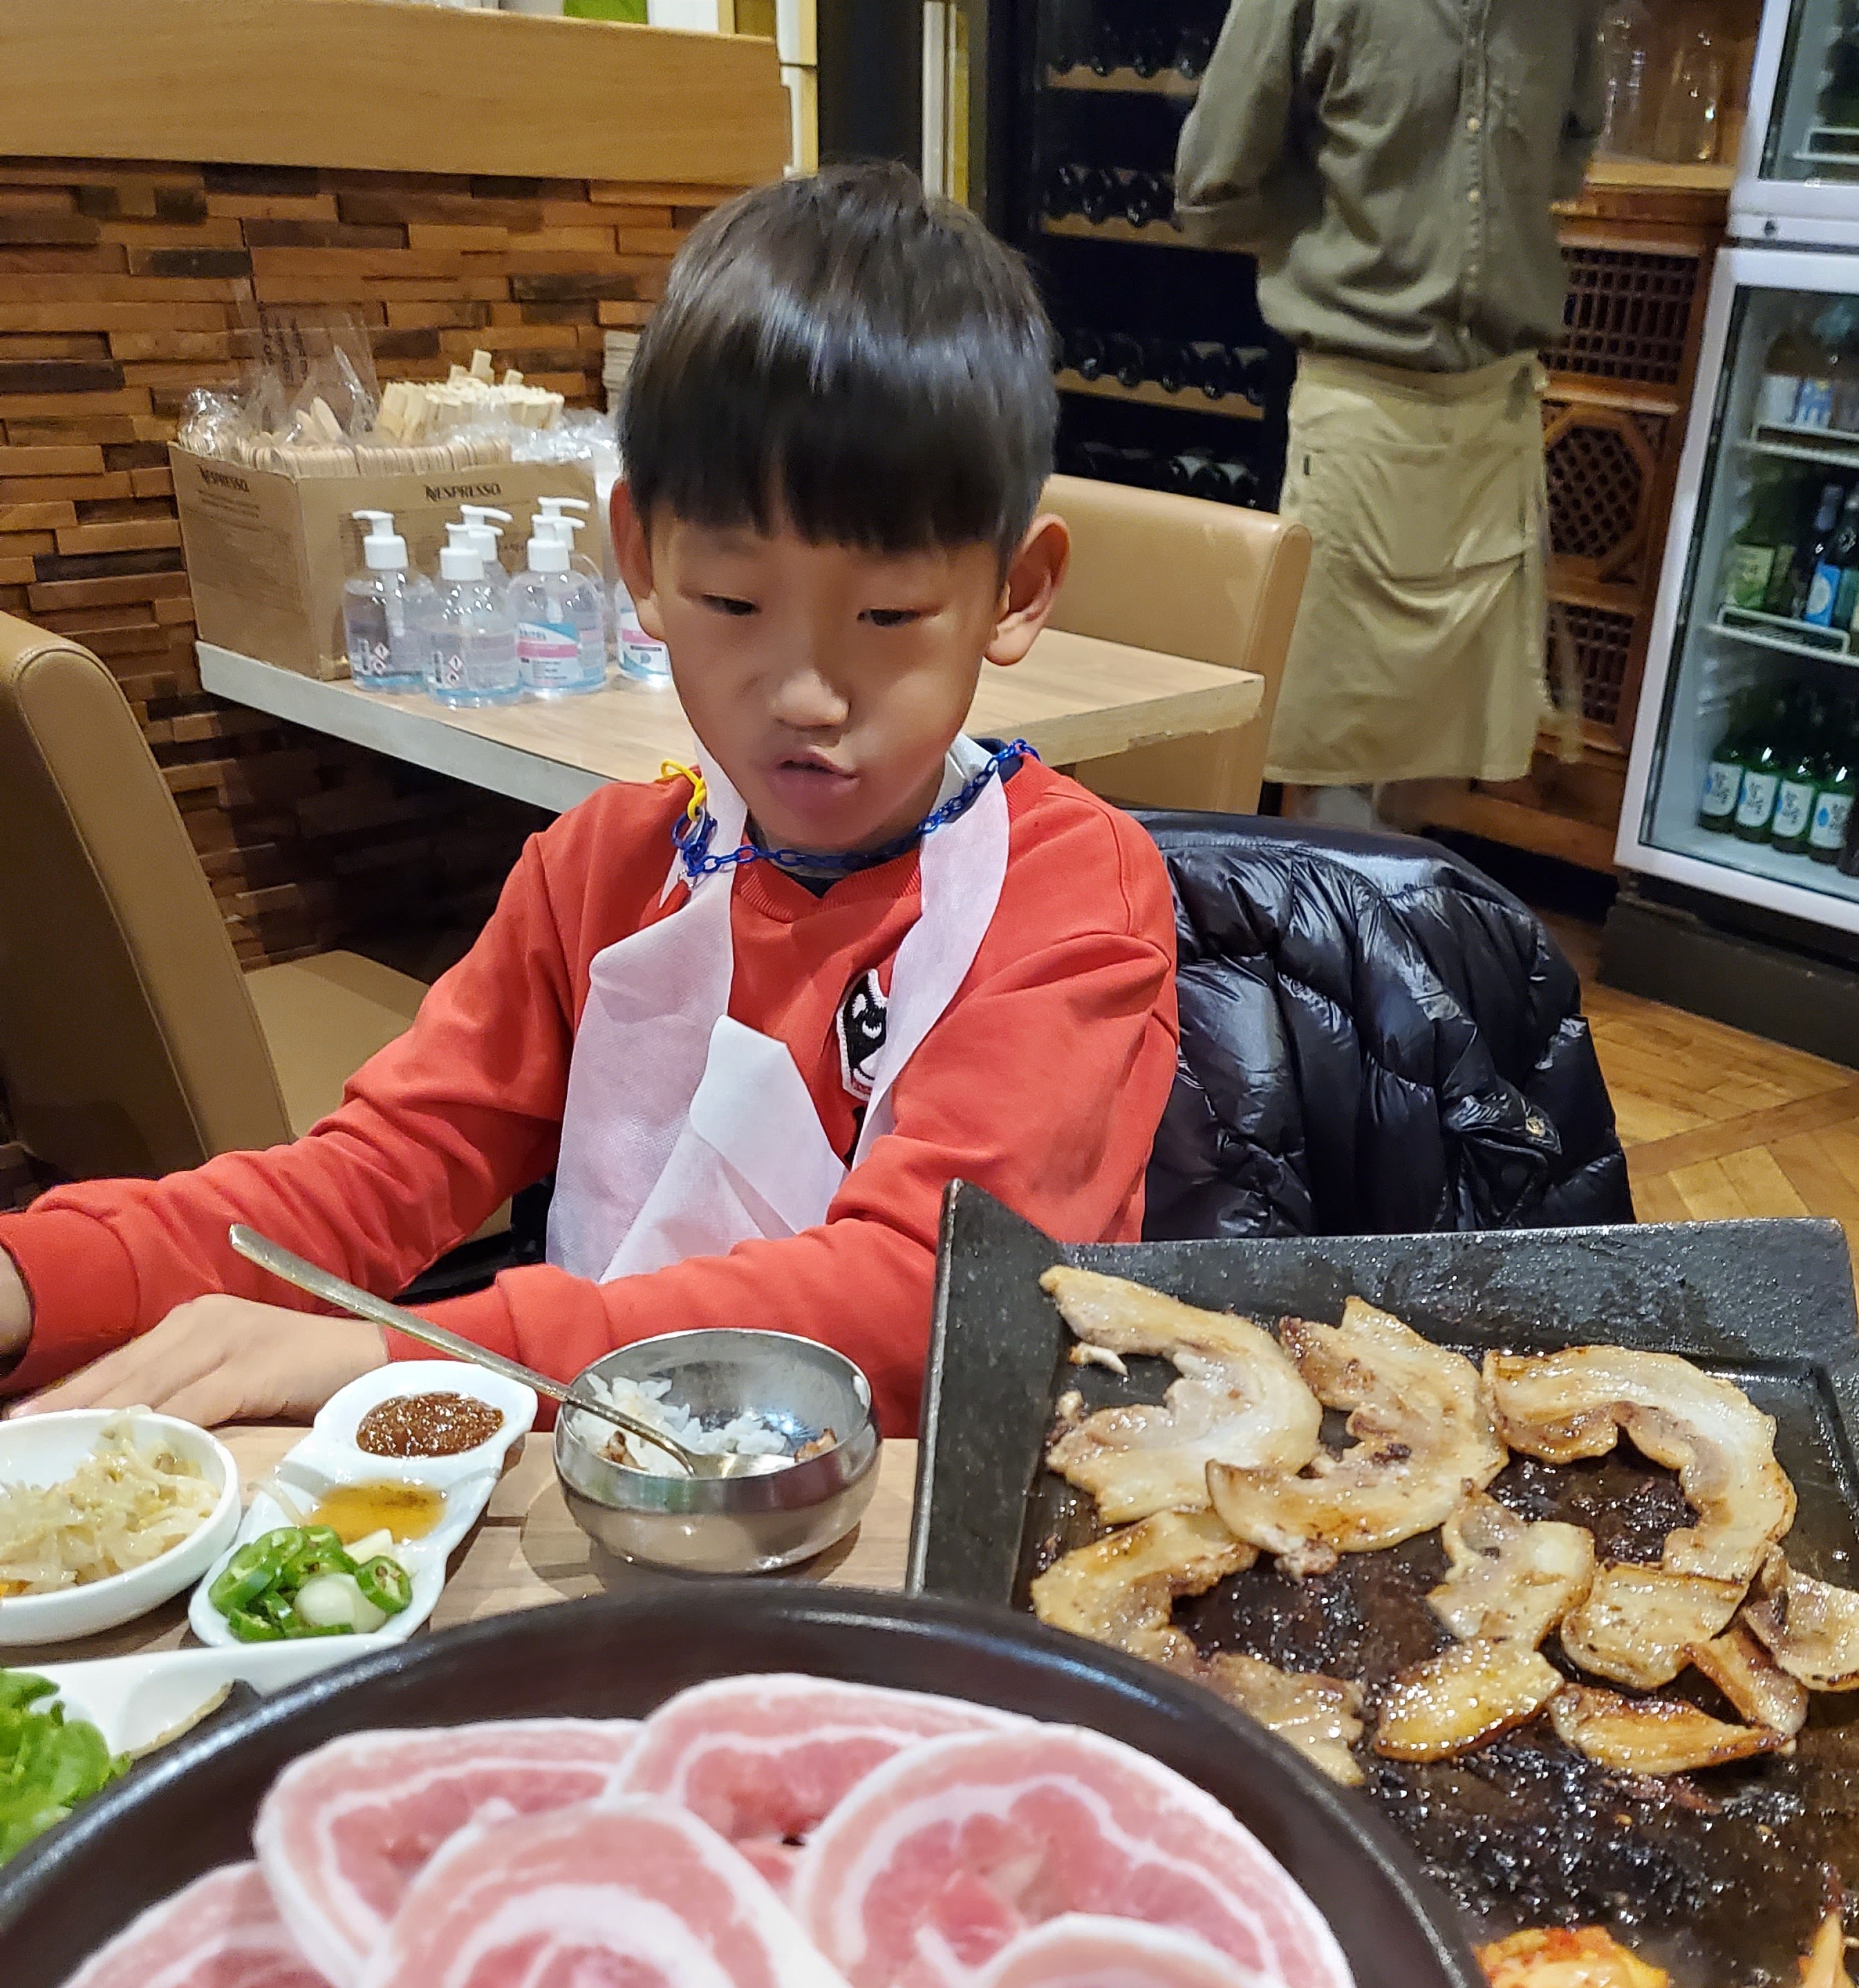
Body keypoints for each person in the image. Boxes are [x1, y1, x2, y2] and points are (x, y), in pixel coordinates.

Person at [0, 166, 1179, 1438]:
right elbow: (370, 1177)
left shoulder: (1066, 896)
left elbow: (930, 1299)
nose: (805, 693)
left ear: (1014, 592)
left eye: (888, 617)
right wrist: (33, 1280)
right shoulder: (602, 873)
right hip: (614, 1479)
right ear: (640, 563)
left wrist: (417, 1356)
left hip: (925, 1515)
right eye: (733, 603)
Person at [1175, 0, 1608, 829]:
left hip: (1494, 422)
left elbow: (1568, 150)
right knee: (1326, 754)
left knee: (1449, 755)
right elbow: (1214, 185)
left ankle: (1404, 908)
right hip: (1359, 413)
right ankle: (1331, 913)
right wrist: (1351, 251)